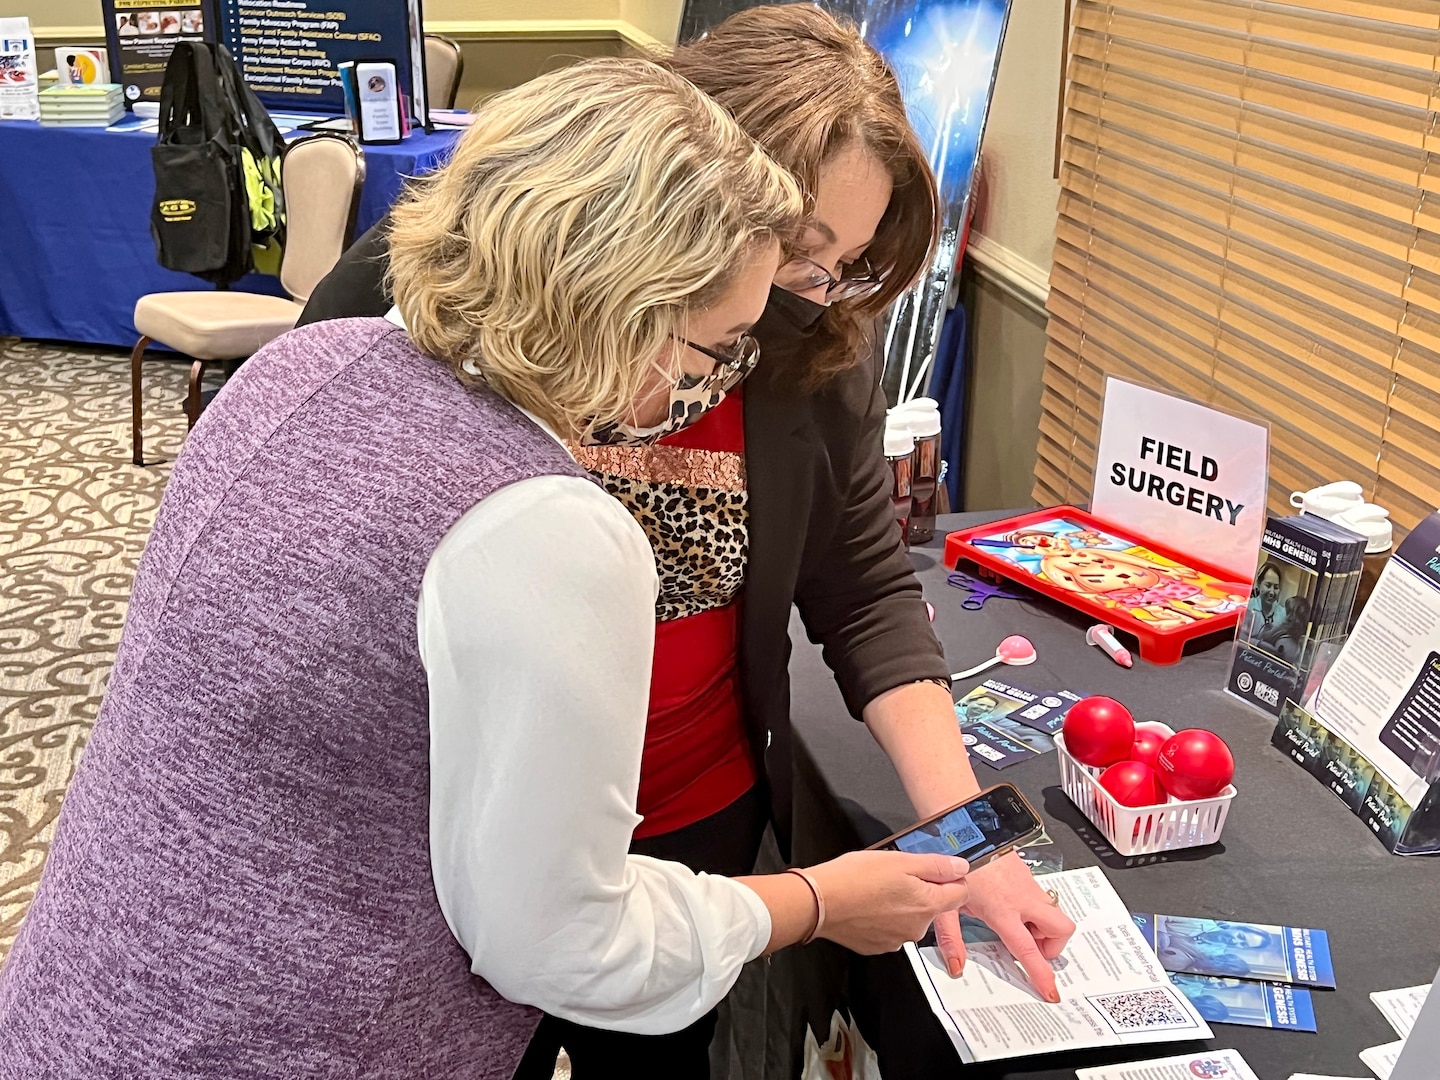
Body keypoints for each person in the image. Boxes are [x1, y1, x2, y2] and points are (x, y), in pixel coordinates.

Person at [0, 59, 976, 1077]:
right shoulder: (543, 525)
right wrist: (822, 900)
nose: (725, 376)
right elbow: (562, 941)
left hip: (103, 991)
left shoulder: (297, 370)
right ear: (622, 300)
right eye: (707, 354)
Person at [299, 5, 1075, 1071]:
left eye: (836, 269)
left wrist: (970, 835)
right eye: (796, 256)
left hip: (690, 818)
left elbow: (865, 595)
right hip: (449, 841)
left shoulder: (812, 338)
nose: (797, 300)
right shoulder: (425, 301)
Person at [1244, 562, 1287, 639]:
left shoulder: (1284, 615)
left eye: (1276, 587)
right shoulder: (1247, 606)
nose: (1272, 592)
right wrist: (1259, 644)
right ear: (1258, 584)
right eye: (1268, 585)